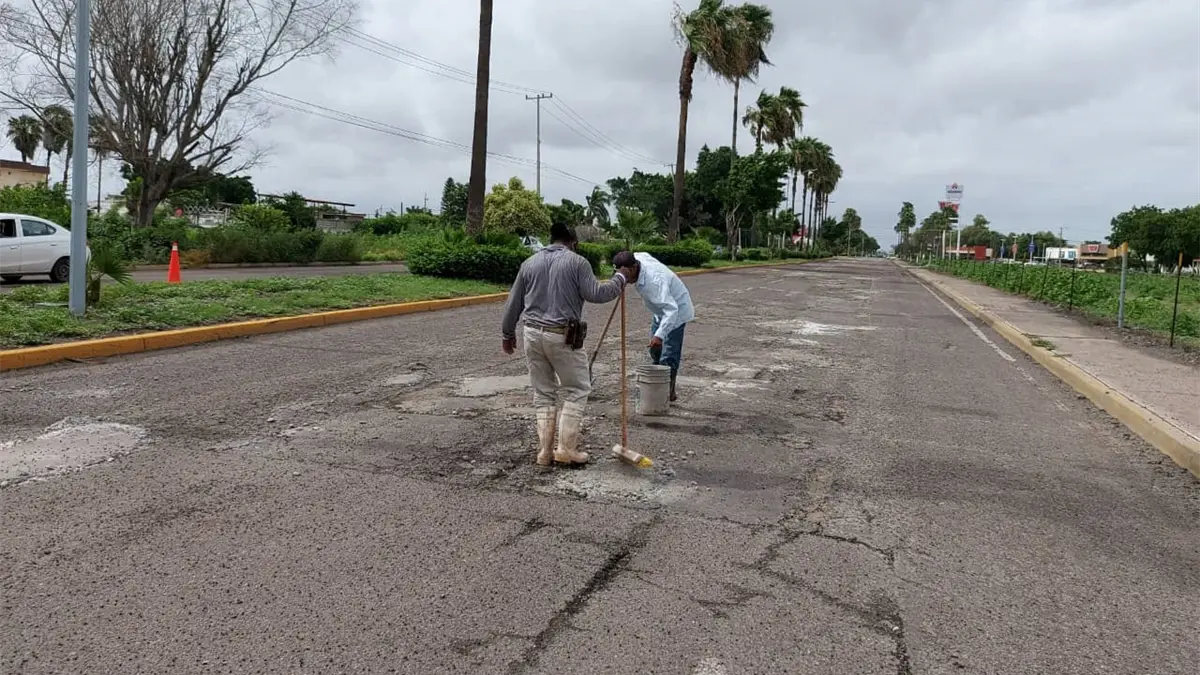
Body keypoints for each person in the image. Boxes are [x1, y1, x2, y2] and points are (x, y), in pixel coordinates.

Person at [501, 223, 634, 466]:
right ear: (573, 242)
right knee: (577, 389)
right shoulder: (577, 262)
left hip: (532, 333)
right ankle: (565, 450)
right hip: (561, 335)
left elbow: (514, 302)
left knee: (543, 393)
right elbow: (597, 294)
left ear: (550, 238)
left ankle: (544, 453)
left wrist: (507, 333)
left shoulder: (529, 263)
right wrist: (620, 278)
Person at [610, 250, 695, 402]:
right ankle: (658, 380)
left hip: (675, 312)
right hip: (660, 311)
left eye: (625, 275)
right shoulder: (637, 259)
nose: (624, 278)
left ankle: (666, 392)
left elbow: (672, 310)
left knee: (668, 355)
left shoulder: (654, 283)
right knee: (655, 349)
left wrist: (659, 335)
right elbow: (641, 253)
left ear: (633, 268)